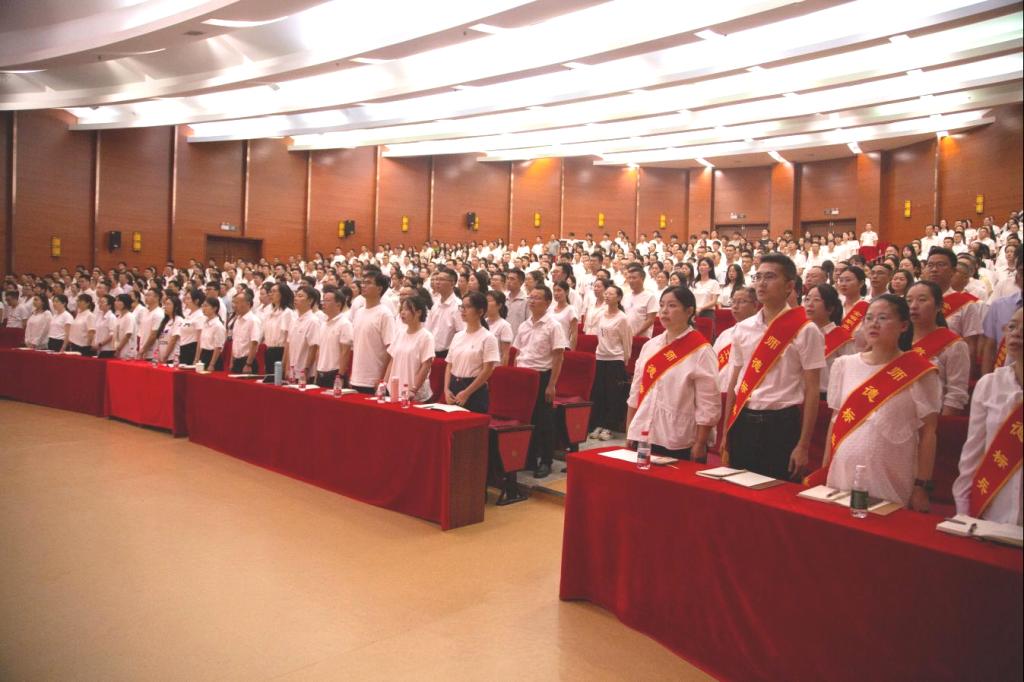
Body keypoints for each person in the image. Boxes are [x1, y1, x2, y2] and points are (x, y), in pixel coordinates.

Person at [822, 295, 940, 510]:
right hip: (842, 473)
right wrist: (825, 467)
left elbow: (928, 433)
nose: (874, 323)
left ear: (904, 325)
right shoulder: (844, 365)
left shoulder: (919, 371)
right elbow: (835, 420)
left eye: (883, 318)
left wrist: (922, 485)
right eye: (869, 318)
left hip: (891, 475)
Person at [724, 254, 825, 479]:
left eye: (769, 277)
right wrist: (725, 433)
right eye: (758, 277)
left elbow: (812, 390)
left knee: (774, 490)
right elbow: (735, 380)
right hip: (743, 420)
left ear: (789, 286)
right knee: (737, 488)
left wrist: (803, 445)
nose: (761, 283)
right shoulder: (743, 328)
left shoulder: (806, 330)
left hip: (781, 423)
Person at [626, 286, 720, 460]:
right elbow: (635, 392)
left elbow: (708, 403)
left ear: (689, 311)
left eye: (672, 305)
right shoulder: (650, 346)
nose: (664, 311)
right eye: (662, 305)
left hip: (679, 438)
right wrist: (630, 430)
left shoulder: (701, 351)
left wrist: (700, 443)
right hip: (645, 434)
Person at [953, 307, 1022, 525]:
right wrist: (964, 512)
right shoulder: (990, 385)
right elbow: (972, 454)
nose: (1017, 333)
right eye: (1012, 326)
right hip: (993, 511)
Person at [512, 285, 568, 478]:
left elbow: (558, 357)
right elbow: (518, 353)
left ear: (547, 302)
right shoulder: (524, 325)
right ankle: (528, 458)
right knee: (526, 420)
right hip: (523, 377)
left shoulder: (553, 326)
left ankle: (546, 461)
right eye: (531, 297)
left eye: (537, 298)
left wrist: (552, 385)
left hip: (541, 376)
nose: (532, 301)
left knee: (544, 421)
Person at [906, 281, 970, 416]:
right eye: (909, 300)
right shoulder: (897, 340)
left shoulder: (954, 345)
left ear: (939, 305)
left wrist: (939, 425)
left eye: (922, 300)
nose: (913, 306)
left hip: (931, 419)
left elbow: (956, 395)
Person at [588, 284, 634, 441]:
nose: (606, 296)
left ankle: (610, 427)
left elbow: (627, 341)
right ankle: (598, 424)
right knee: (599, 393)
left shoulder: (622, 318)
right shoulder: (602, 314)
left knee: (613, 395)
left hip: (615, 359)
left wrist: (625, 359)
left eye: (611, 294)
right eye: (606, 293)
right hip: (600, 357)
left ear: (619, 298)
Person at [924, 247, 984, 361]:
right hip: (919, 365)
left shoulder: (966, 305)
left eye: (940, 265)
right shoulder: (915, 300)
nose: (934, 269)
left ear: (953, 271)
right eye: (930, 265)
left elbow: (970, 345)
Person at [444, 292, 499, 413]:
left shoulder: (488, 338)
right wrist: (446, 390)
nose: (463, 310)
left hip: (474, 389)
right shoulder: (458, 336)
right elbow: (449, 365)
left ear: (480, 311)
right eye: (462, 307)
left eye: (468, 307)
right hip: (454, 387)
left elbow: (488, 370)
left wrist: (467, 392)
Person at [350, 271, 397, 394]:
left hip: (374, 379)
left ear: (379, 289)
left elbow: (390, 349)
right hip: (356, 377)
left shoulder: (384, 314)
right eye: (363, 282)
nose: (363, 285)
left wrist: (382, 378)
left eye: (368, 283)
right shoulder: (359, 312)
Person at [803, 283, 851, 399]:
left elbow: (850, 374)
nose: (809, 304)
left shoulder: (842, 338)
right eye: (807, 299)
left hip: (828, 399)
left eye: (816, 300)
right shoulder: (801, 333)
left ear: (830, 308)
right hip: (801, 397)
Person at [385, 295, 435, 402]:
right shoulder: (399, 333)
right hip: (394, 391)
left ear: (418, 312)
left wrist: (413, 390)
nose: (402, 312)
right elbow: (392, 361)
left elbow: (426, 366)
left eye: (407, 309)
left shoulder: (426, 337)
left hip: (414, 395)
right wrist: (384, 383)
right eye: (402, 309)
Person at [980, 250, 1022, 375]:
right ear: (1017, 278)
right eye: (1023, 272)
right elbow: (990, 347)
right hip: (1004, 379)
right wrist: (987, 380)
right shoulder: (1000, 306)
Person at [314, 287, 353, 388]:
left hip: (335, 373)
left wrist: (340, 375)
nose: (323, 303)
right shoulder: (323, 324)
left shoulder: (344, 324)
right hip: (321, 371)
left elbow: (345, 351)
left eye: (327, 301)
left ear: (338, 304)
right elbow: (319, 350)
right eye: (323, 300)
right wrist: (317, 371)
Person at [284, 285, 321, 382]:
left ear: (310, 300)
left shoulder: (313, 321)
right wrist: (287, 368)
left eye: (300, 296)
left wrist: (306, 369)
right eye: (296, 295)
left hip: (304, 373)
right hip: (292, 372)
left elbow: (314, 347)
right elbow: (289, 345)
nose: (296, 298)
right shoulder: (294, 319)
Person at [425, 268, 462, 357]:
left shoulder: (458, 306)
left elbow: (461, 333)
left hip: (447, 355)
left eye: (441, 280)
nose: (437, 282)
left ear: (452, 283)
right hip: (431, 353)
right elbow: (428, 329)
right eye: (436, 279)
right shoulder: (436, 304)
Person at [262, 282, 295, 373]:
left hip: (280, 351)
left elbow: (288, 340)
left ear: (282, 294)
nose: (270, 294)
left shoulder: (287, 313)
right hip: (269, 350)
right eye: (270, 292)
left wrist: (284, 362)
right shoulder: (269, 311)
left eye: (274, 291)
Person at [228, 288, 262, 374]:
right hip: (236, 361)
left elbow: (254, 343)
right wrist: (232, 361)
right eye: (234, 302)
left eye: (237, 303)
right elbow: (235, 342)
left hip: (247, 361)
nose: (234, 305)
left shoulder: (253, 320)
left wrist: (248, 364)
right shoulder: (237, 320)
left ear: (248, 304)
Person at [835, 265, 869, 350]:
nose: (843, 284)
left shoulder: (868, 307)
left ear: (861, 283)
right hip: (835, 352)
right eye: (841, 280)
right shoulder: (835, 306)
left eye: (848, 280)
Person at [622, 264, 658, 338]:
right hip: (626, 336)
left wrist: (635, 334)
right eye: (629, 278)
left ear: (642, 279)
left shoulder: (650, 296)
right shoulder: (626, 296)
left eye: (634, 278)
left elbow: (650, 320)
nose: (631, 281)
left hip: (641, 337)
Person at [176, 288, 205, 365]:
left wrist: (197, 358)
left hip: (192, 349)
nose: (186, 301)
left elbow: (200, 339)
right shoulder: (187, 313)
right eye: (185, 298)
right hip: (183, 348)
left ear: (196, 301)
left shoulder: (200, 316)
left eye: (188, 299)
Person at [484, 290, 513, 366]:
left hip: (495, 367)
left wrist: (501, 371)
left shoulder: (504, 325)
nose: (485, 304)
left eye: (488, 301)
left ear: (499, 305)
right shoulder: (483, 322)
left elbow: (505, 355)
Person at [197, 296, 226, 371]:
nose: (203, 308)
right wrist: (198, 359)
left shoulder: (218, 325)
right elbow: (202, 343)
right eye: (203, 306)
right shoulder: (205, 322)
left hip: (213, 357)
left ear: (214, 308)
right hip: (204, 355)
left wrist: (212, 364)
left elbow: (218, 347)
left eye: (206, 306)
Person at [137, 289, 165, 361]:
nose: (146, 297)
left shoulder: (159, 313)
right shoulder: (144, 311)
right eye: (146, 295)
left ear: (157, 297)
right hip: (142, 347)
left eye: (149, 295)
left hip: (152, 352)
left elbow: (154, 335)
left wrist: (144, 349)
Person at [550, 280, 579, 350]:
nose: (556, 293)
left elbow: (574, 335)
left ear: (566, 292)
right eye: (554, 291)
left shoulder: (571, 310)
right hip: (549, 345)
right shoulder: (550, 309)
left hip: (563, 346)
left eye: (559, 290)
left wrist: (571, 352)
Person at [155, 295, 184, 364]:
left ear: (176, 307)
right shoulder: (165, 321)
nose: (165, 306)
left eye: (168, 304)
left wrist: (165, 356)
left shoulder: (178, 320)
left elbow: (173, 340)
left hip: (171, 358)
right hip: (161, 358)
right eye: (165, 304)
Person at [112, 293, 138, 359]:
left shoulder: (129, 317)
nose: (115, 303)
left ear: (125, 303)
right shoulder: (119, 317)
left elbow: (128, 335)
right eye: (115, 300)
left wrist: (118, 349)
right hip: (118, 349)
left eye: (118, 301)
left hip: (127, 351)